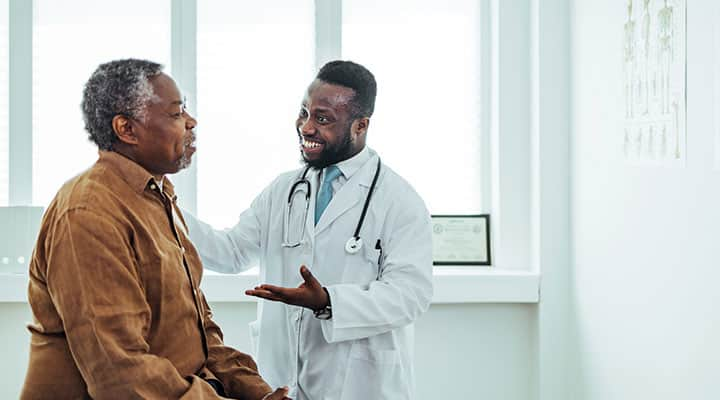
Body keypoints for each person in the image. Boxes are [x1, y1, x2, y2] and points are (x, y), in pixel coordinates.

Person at [20, 59, 289, 400]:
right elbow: (119, 374)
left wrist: (257, 393)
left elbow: (201, 335)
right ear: (127, 129)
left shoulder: (158, 198)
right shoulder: (88, 212)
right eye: (176, 114)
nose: (191, 122)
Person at [184, 60, 433, 400]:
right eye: (304, 112)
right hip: (282, 380)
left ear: (360, 126)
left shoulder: (399, 200)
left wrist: (328, 301)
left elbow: (410, 295)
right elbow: (231, 252)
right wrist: (164, 206)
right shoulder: (284, 190)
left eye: (323, 119)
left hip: (360, 385)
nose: (306, 127)